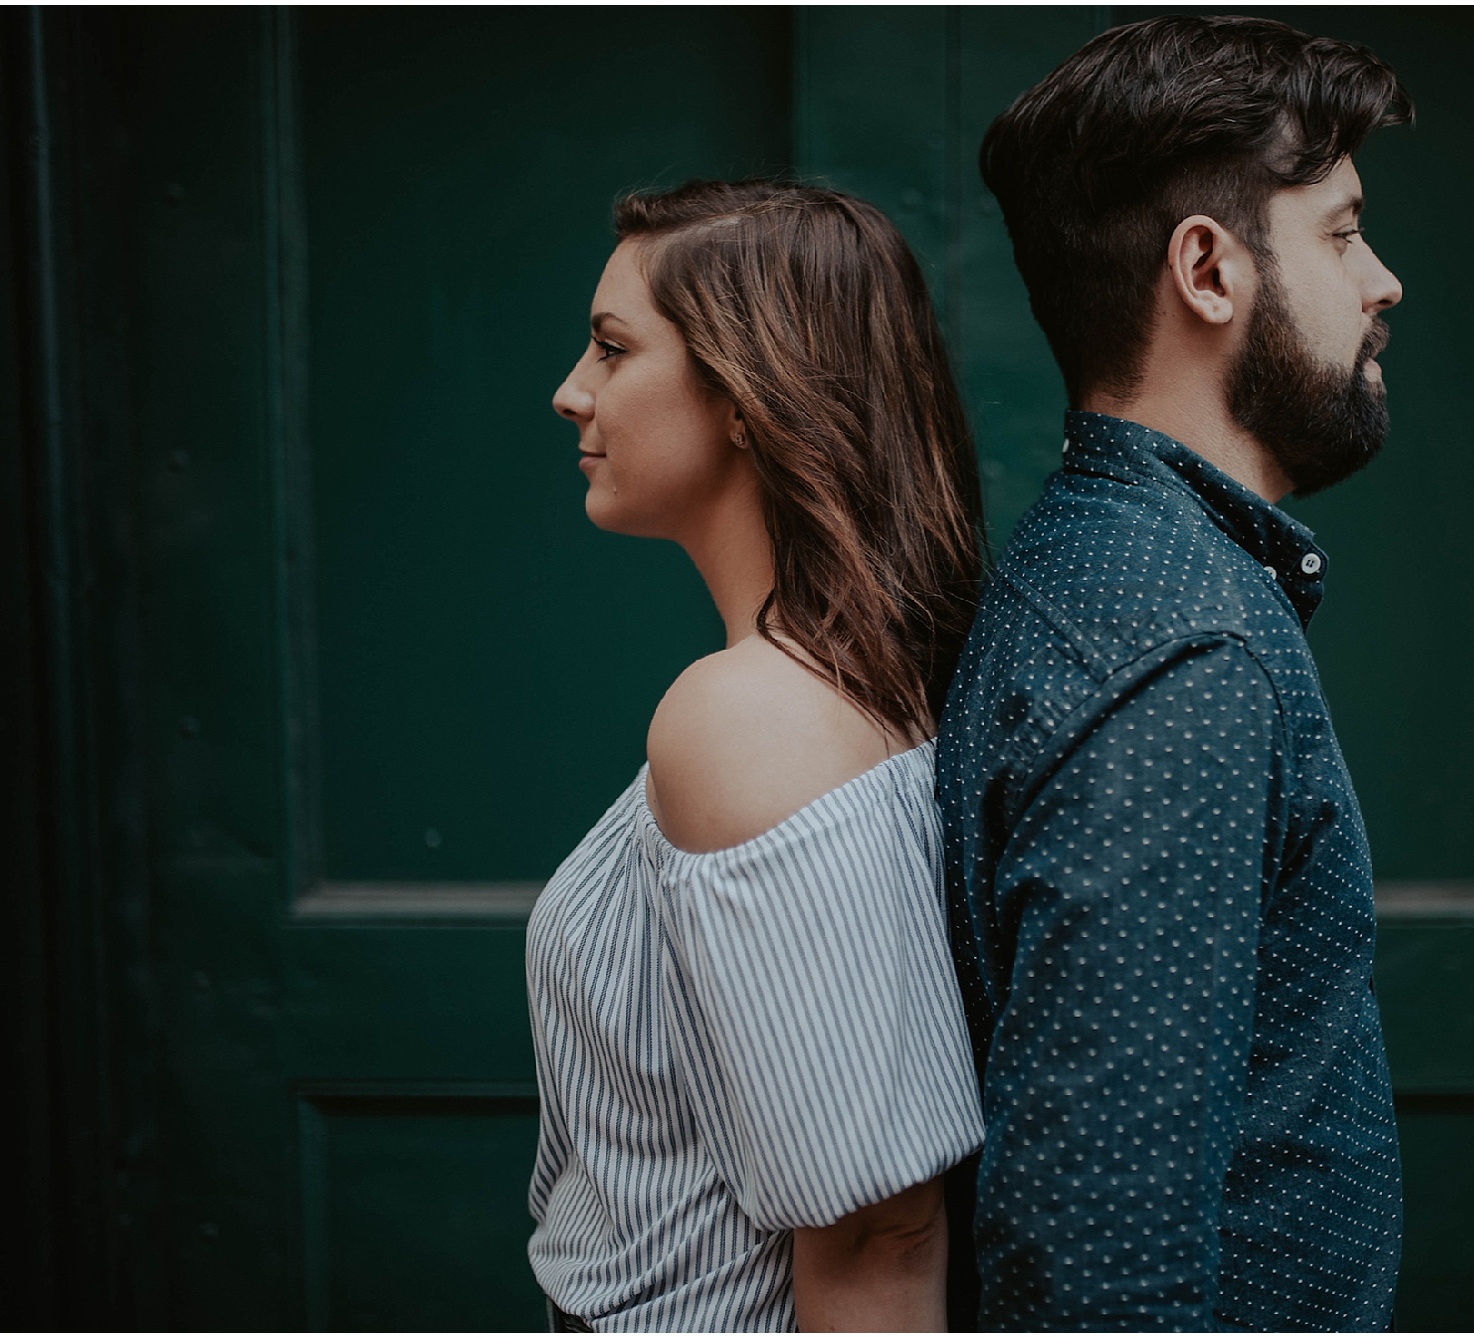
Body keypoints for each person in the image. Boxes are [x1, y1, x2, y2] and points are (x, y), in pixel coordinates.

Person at [938, 15, 1412, 1331]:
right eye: (1339, 230)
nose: (1382, 281)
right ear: (1207, 268)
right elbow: (1096, 1264)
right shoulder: (1176, 657)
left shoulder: (1107, 574)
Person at [529, 179, 987, 1332]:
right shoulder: (851, 683)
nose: (571, 393)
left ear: (745, 396)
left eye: (610, 348)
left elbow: (879, 1236)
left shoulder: (748, 718)